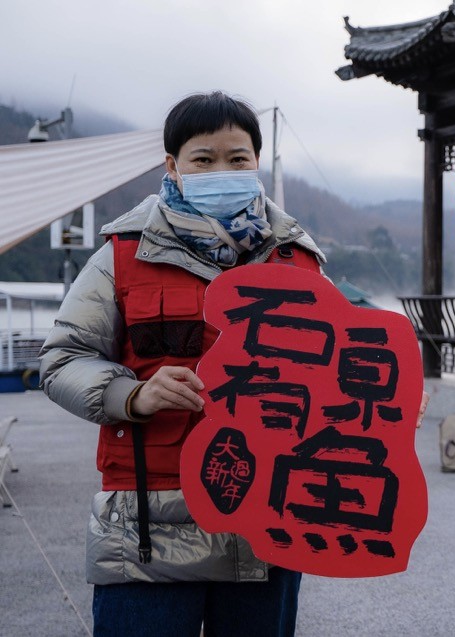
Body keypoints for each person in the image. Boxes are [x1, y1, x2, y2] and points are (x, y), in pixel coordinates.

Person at [40, 91, 430, 636]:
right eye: (203, 159)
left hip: (269, 516)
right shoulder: (122, 255)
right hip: (148, 522)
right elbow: (62, 359)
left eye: (237, 158)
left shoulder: (297, 259)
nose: (221, 170)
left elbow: (337, 370)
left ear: (256, 163)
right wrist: (131, 394)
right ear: (173, 164)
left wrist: (392, 401)